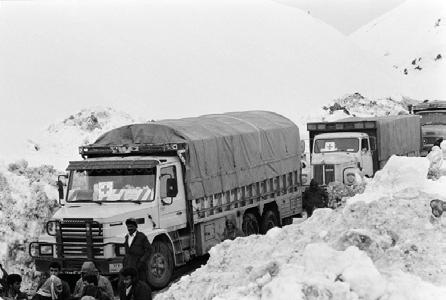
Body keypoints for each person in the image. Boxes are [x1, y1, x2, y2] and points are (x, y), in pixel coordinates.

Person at [123, 218, 152, 284]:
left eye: (131, 226)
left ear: (135, 227)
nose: (129, 228)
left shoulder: (141, 236)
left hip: (140, 266)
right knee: (132, 285)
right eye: (128, 227)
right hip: (129, 266)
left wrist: (142, 261)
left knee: (141, 284)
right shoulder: (126, 237)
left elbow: (149, 250)